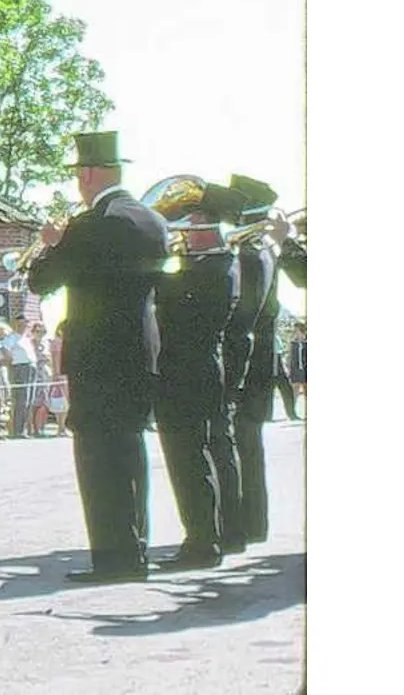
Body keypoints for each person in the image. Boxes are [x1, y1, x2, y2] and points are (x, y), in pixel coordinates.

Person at [27, 131, 169, 584]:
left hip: (96, 356)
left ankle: (113, 558)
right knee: (131, 451)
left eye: (77, 175)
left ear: (87, 175)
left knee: (97, 459)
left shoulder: (89, 226)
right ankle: (136, 548)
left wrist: (52, 242)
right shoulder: (152, 221)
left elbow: (40, 282)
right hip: (141, 351)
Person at [152, 183, 248, 570]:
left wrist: (152, 258)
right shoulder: (209, 265)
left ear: (209, 226)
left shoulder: (216, 267)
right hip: (197, 370)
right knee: (202, 454)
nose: (185, 226)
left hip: (188, 372)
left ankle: (201, 542)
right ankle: (218, 534)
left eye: (192, 219)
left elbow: (170, 299)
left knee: (187, 458)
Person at [224, 174, 286, 546]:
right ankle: (254, 523)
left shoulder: (251, 255)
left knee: (242, 442)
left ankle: (247, 524)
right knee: (249, 444)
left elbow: (242, 315)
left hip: (249, 364)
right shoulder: (264, 251)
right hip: (260, 362)